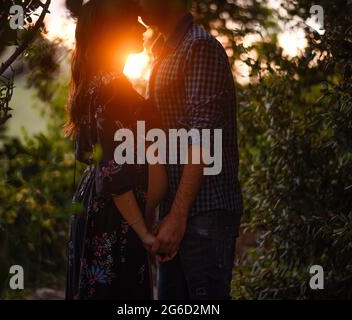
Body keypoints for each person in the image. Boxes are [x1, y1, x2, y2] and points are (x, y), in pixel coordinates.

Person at [139, 0, 243, 300]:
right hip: (176, 212)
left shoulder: (199, 48)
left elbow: (203, 137)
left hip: (203, 213)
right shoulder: (165, 48)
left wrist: (178, 215)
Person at [63, 0, 167, 300]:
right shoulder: (114, 91)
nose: (142, 27)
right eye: (132, 19)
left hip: (101, 213)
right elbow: (115, 176)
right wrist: (145, 232)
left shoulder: (97, 84)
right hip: (114, 219)